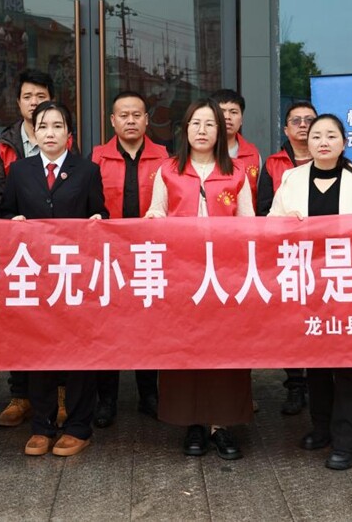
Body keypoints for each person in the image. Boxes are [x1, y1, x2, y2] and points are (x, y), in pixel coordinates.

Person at [268, 114, 352, 470]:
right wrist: (286, 223)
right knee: (315, 360)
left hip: (347, 285)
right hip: (307, 283)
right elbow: (270, 226)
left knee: (347, 365)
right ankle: (321, 428)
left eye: (331, 135)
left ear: (344, 143)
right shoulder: (291, 179)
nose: (323, 141)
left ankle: (347, 440)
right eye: (316, 136)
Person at [145, 98, 255, 460]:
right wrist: (154, 219)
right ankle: (192, 423)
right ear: (185, 129)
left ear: (221, 131)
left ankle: (221, 425)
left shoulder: (236, 172)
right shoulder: (168, 170)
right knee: (186, 348)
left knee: (225, 351)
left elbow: (249, 224)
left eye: (210, 124)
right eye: (196, 123)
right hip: (181, 275)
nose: (203, 130)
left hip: (225, 277)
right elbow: (156, 211)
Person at [1, 101, 108, 457]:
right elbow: (6, 212)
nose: (50, 133)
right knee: (39, 351)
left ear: (69, 134)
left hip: (75, 275)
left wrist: (98, 219)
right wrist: (12, 222)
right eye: (43, 126)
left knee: (79, 354)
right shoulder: (19, 171)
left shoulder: (87, 170)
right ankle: (42, 426)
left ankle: (78, 427)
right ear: (33, 133)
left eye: (57, 126)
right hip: (34, 275)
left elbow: (100, 212)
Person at [0, 69, 73, 428]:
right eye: (27, 97)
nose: (34, 102)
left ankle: (62, 394)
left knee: (62, 323)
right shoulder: (4, 144)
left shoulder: (65, 141)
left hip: (62, 254)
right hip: (18, 250)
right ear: (19, 102)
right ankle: (20, 395)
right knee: (21, 323)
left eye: (41, 96)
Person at [90, 91, 168, 427]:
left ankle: (149, 395)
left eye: (137, 114)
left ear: (147, 120)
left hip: (151, 254)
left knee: (149, 326)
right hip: (109, 255)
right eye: (124, 115)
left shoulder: (164, 157)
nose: (131, 120)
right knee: (107, 328)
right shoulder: (97, 158)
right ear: (113, 120)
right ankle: (106, 399)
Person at [256, 100, 317, 416]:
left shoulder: (332, 158)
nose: (303, 125)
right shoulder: (273, 163)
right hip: (286, 254)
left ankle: (319, 382)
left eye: (309, 120)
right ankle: (295, 383)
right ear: (286, 128)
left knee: (318, 316)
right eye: (297, 120)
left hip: (325, 254)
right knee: (291, 321)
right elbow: (262, 209)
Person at [210, 88, 262, 203]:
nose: (227, 117)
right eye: (222, 111)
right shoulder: (201, 152)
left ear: (241, 119)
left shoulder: (253, 155)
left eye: (233, 112)